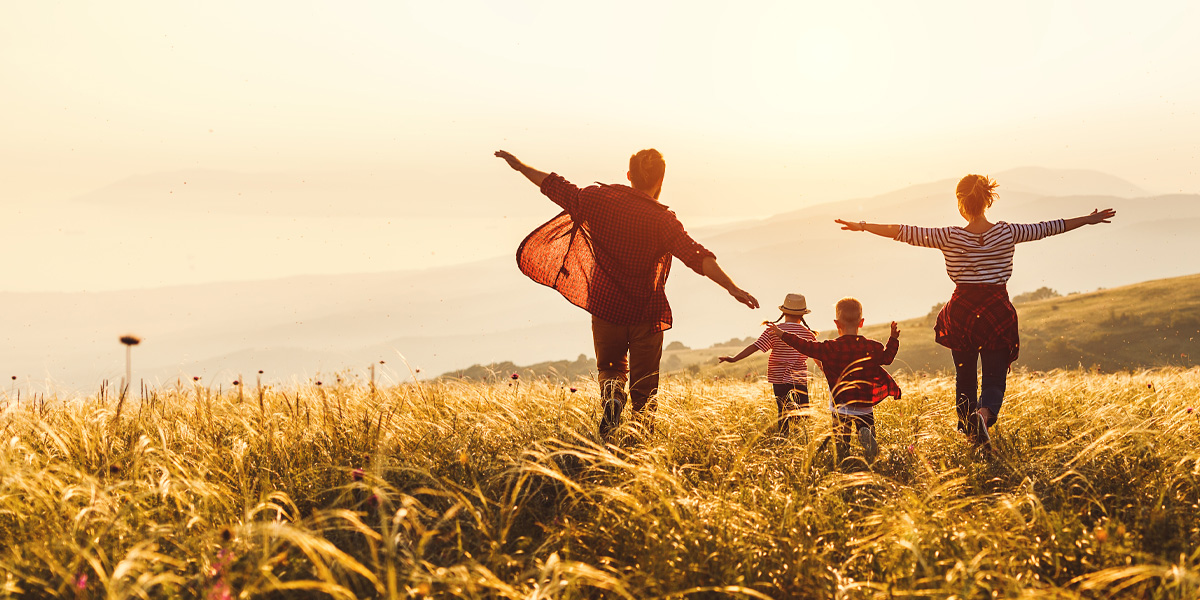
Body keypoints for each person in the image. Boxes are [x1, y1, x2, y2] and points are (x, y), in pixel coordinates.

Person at [834, 174, 1116, 448]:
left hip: (963, 314)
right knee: (994, 377)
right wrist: (1087, 220)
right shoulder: (1008, 231)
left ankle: (971, 432)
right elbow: (1049, 227)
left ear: (960, 203)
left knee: (965, 376)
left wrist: (862, 225)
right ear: (987, 201)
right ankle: (983, 416)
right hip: (997, 311)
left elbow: (902, 232)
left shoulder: (948, 236)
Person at [495, 149, 759, 439]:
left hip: (606, 307)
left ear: (630, 176)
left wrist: (520, 167)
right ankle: (642, 444)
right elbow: (696, 255)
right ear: (661, 180)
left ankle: (612, 401)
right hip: (646, 312)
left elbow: (554, 186)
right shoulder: (663, 221)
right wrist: (732, 287)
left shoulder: (596, 200)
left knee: (610, 369)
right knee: (645, 386)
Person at [767, 297, 900, 461]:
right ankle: (866, 440)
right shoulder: (872, 347)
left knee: (841, 444)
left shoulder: (829, 347)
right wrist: (893, 339)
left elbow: (805, 346)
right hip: (864, 406)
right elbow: (887, 358)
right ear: (861, 322)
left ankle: (844, 461)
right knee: (867, 434)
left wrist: (782, 334)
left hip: (840, 406)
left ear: (837, 324)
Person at [718, 293, 817, 435]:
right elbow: (818, 355)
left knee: (782, 411)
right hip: (799, 378)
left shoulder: (773, 330)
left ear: (783, 312)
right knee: (803, 411)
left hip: (778, 378)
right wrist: (826, 370)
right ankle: (799, 436)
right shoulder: (807, 333)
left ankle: (783, 438)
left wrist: (734, 358)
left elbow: (755, 346)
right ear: (802, 315)